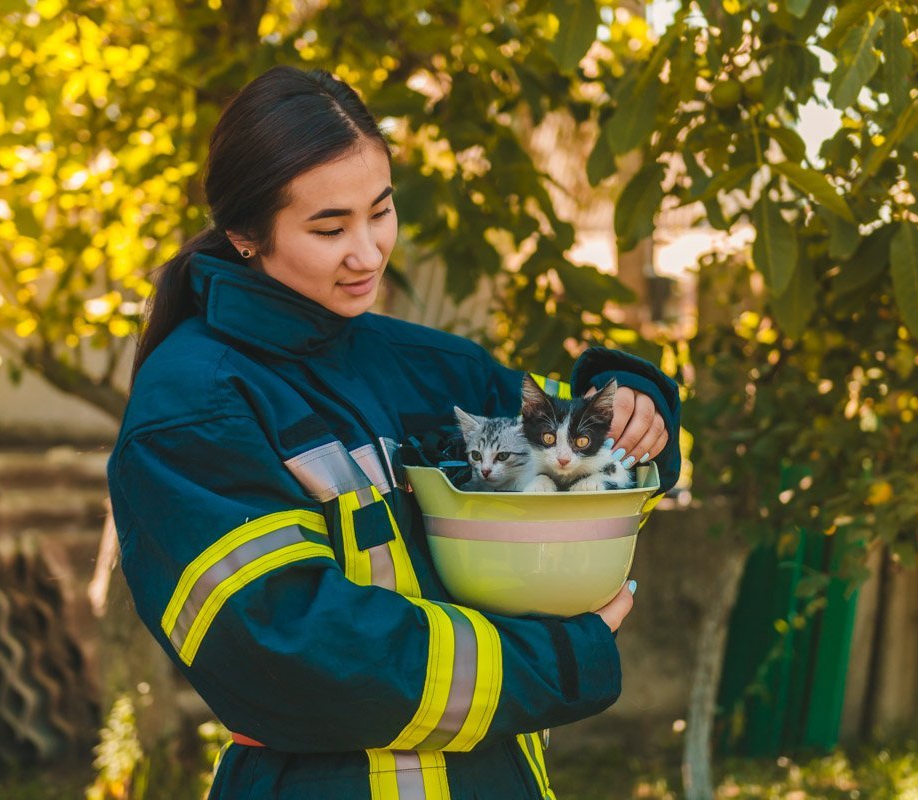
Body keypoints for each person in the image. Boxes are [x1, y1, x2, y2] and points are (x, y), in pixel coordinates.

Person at [107, 65, 682, 800]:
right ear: (245, 235)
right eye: (329, 227)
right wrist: (558, 660)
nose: (369, 252)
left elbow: (583, 456)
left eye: (379, 212)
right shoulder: (195, 403)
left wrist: (636, 405)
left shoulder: (427, 368)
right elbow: (292, 649)